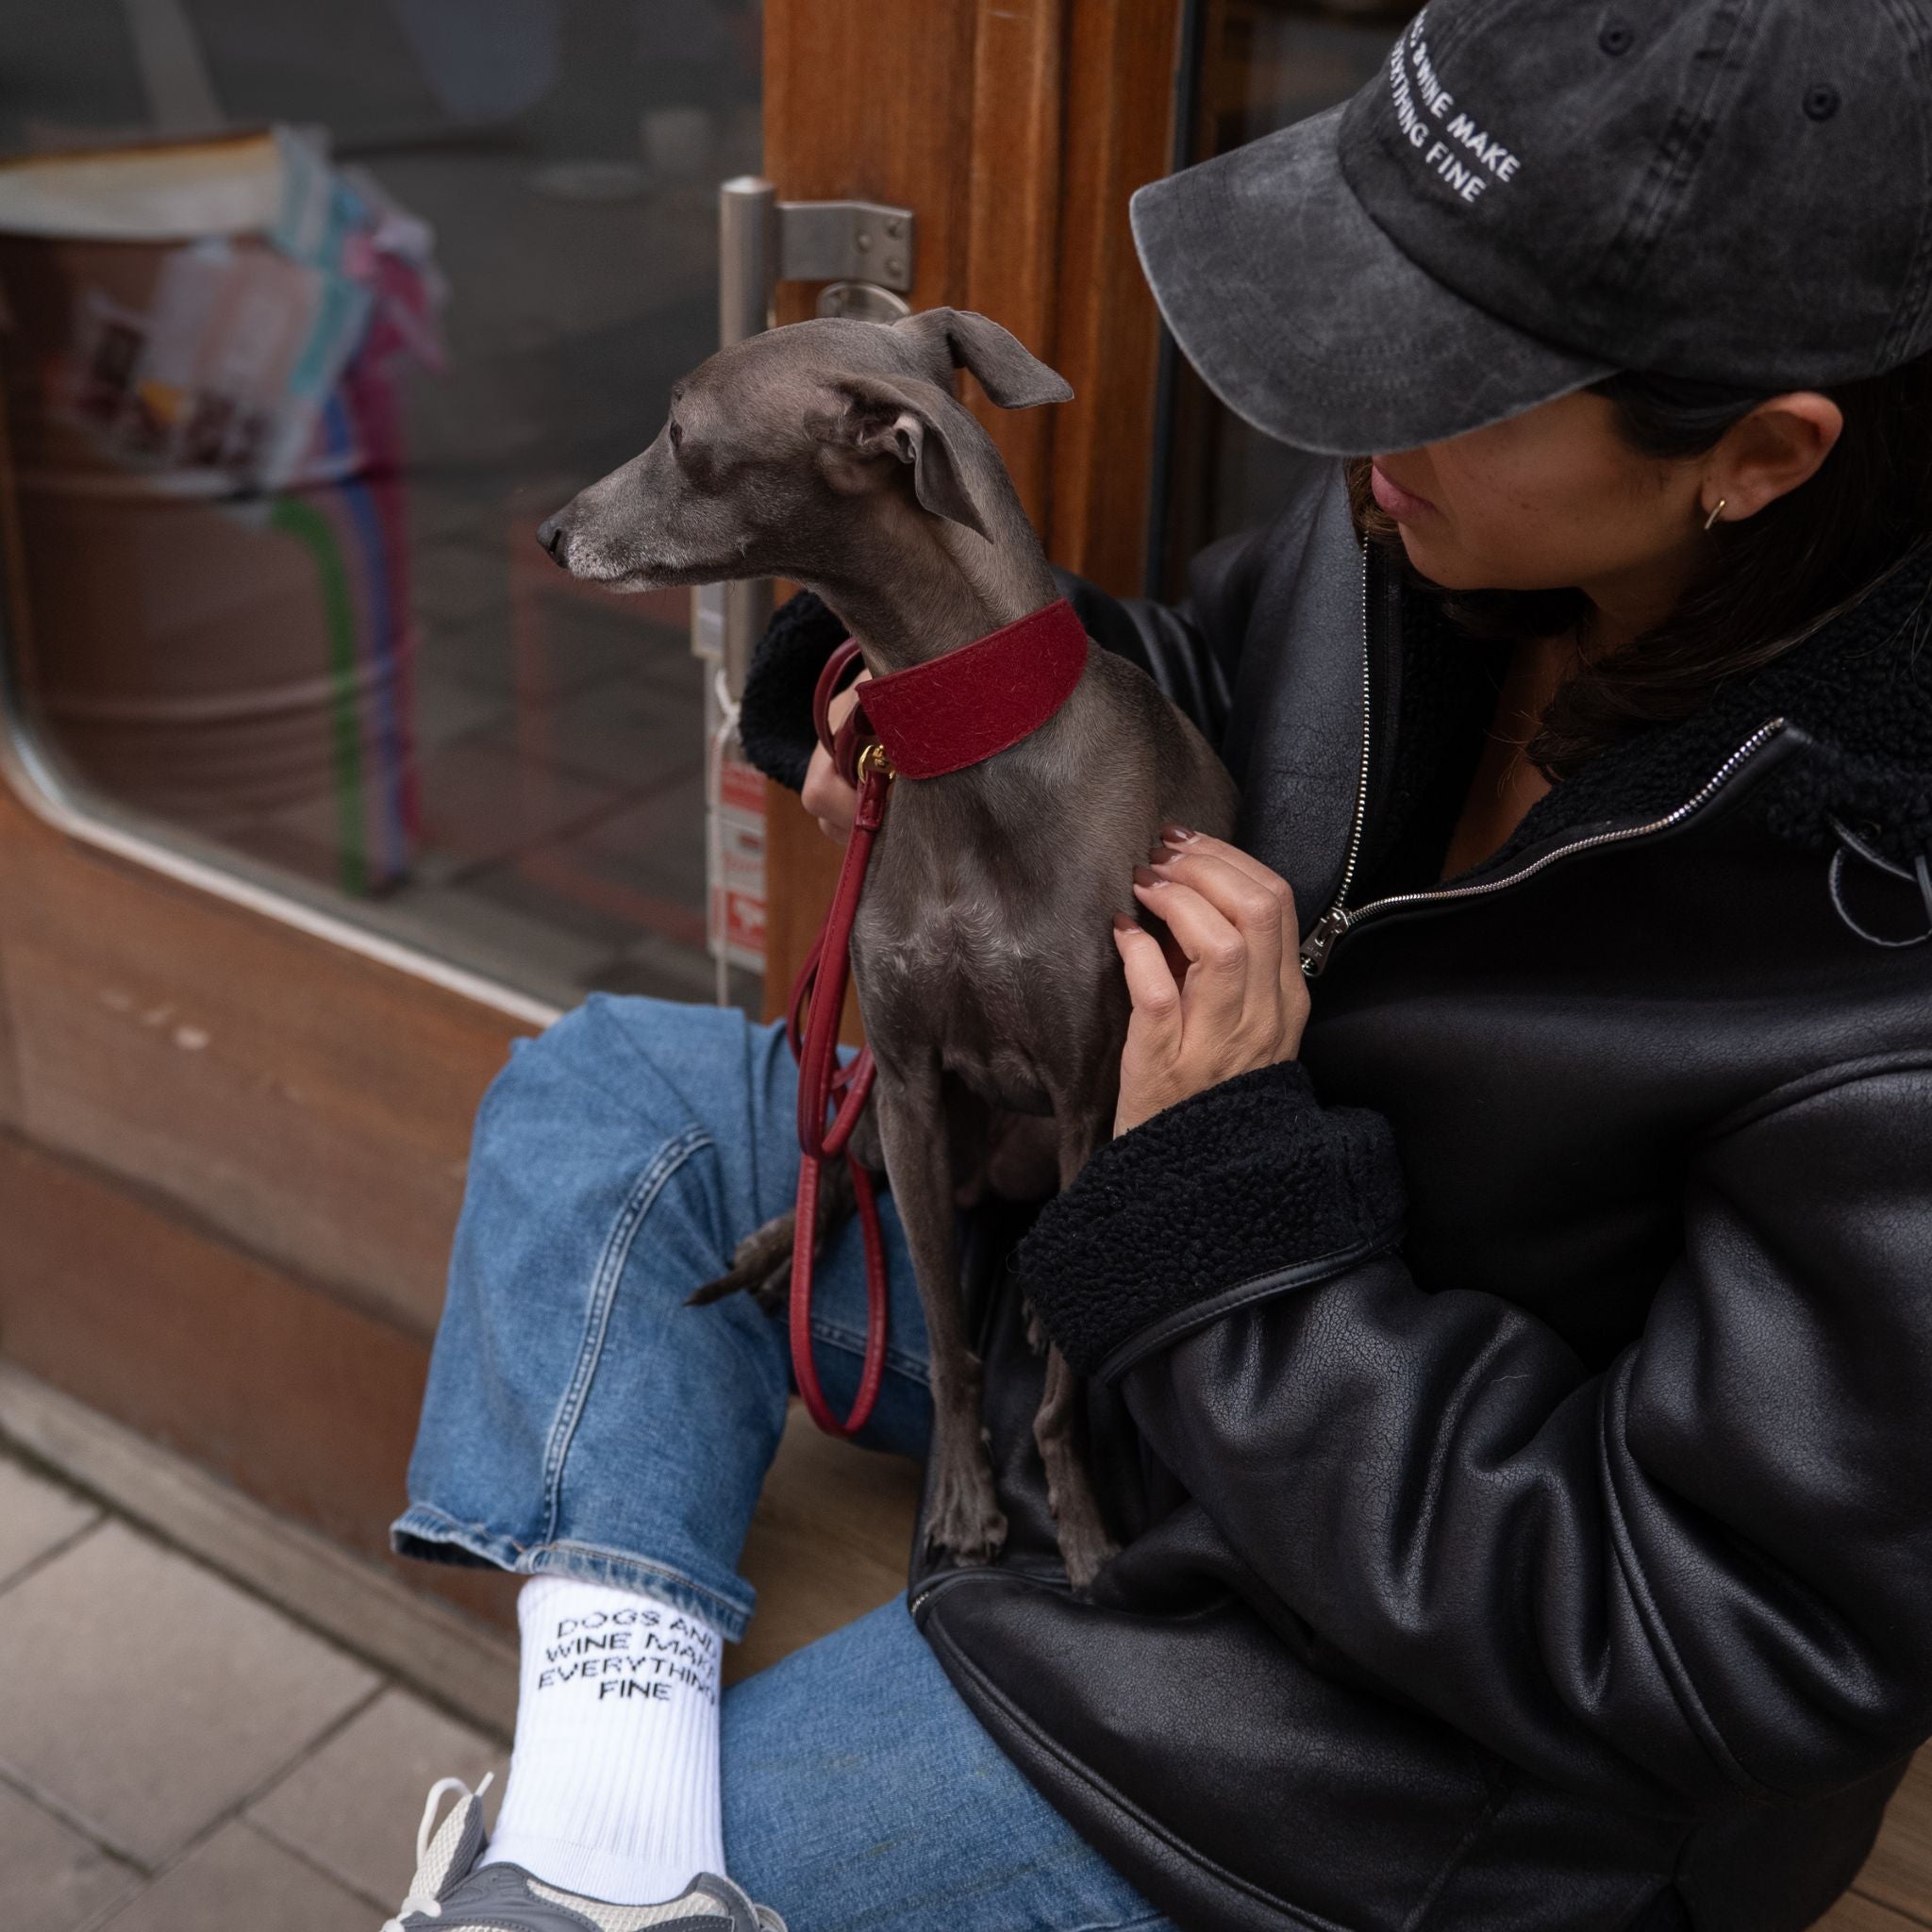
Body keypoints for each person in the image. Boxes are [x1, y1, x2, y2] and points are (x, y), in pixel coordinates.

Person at [378, 2, 1932, 1927]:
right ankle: (602, 1823)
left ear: (1764, 456)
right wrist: (965, 685)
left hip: (1357, 1707)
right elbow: (1210, 710)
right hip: (1106, 1301)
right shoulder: (1444, 528)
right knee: (613, 1097)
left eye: (1438, 375)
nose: (1354, 423)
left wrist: (1233, 1204)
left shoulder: (1878, 955)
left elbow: (1728, 1640)